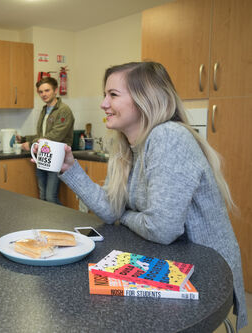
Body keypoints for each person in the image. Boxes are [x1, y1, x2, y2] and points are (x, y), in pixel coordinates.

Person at [57, 61, 247, 331]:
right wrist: (71, 168)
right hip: (169, 262)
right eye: (104, 94)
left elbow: (162, 229)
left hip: (205, 273)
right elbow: (112, 211)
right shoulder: (125, 146)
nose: (103, 104)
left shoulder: (168, 137)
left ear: (144, 99)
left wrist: (125, 214)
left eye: (113, 94)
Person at [17, 77, 74, 204]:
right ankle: (47, 224)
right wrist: (24, 138)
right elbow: (42, 135)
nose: (44, 94)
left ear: (55, 91)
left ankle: (63, 222)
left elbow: (55, 136)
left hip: (57, 157)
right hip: (43, 155)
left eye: (47, 90)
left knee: (50, 197)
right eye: (40, 92)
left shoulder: (64, 110)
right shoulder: (45, 109)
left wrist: (31, 144)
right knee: (43, 197)